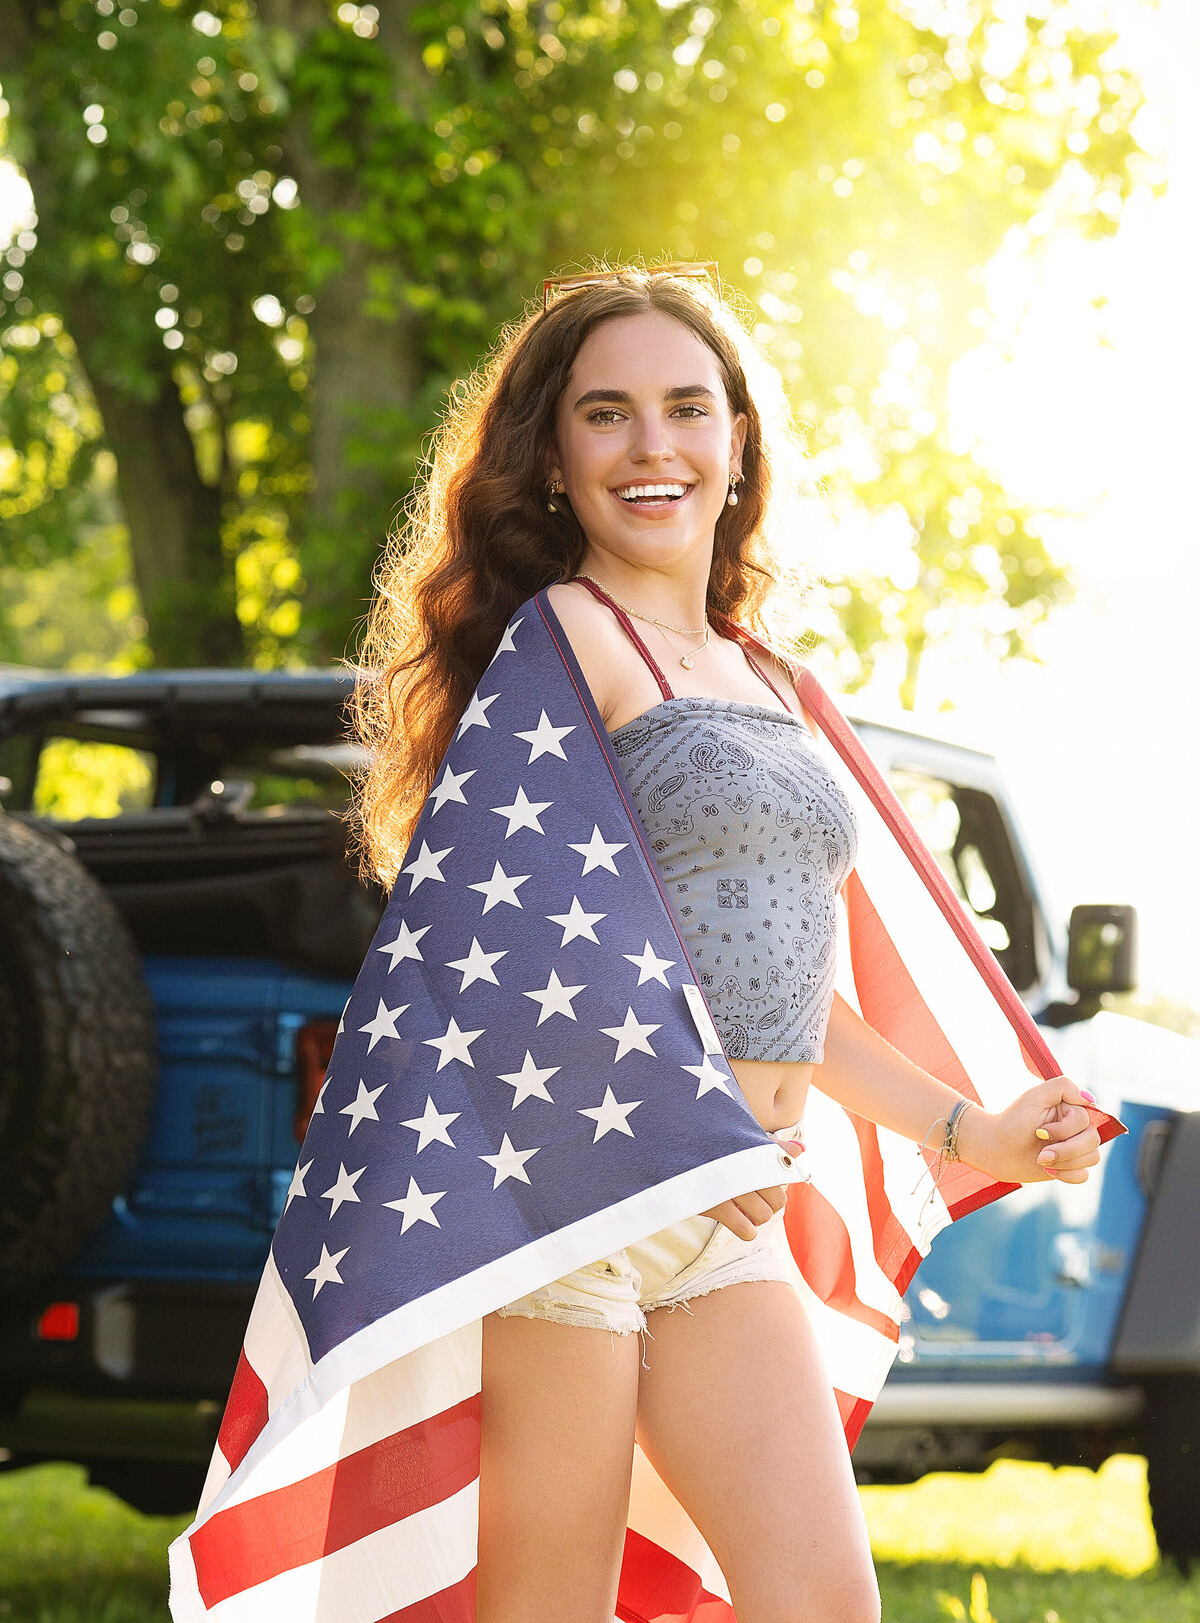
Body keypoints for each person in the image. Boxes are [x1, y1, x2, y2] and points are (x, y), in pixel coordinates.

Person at [350, 264, 1104, 1623]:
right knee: (548, 1611)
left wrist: (972, 1131)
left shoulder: (773, 678)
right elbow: (513, 961)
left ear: (737, 442)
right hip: (581, 1206)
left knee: (822, 1602)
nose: (653, 446)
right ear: (553, 459)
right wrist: (682, 1141)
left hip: (726, 1218)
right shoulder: (567, 638)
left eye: (688, 408)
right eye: (608, 414)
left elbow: (787, 987)